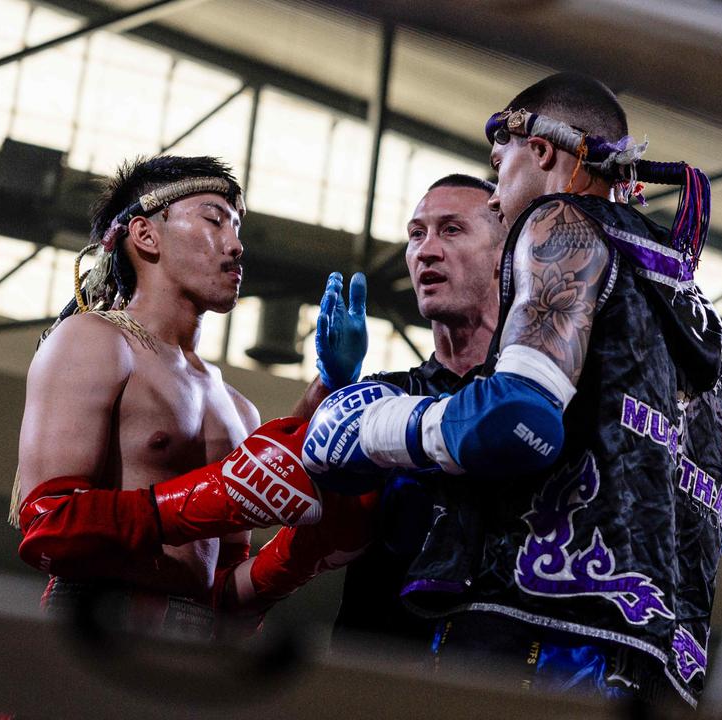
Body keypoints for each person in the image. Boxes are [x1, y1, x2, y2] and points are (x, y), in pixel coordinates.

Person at [304, 73, 722, 709]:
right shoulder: (692, 302)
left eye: (498, 165)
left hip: (538, 625)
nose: (500, 198)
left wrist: (370, 423)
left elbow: (514, 421)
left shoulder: (557, 222)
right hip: (661, 658)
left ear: (541, 151)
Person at [7, 155, 324, 640]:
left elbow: (220, 590)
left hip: (197, 653)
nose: (237, 246)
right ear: (146, 234)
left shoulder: (239, 408)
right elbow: (50, 523)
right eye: (214, 220)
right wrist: (203, 499)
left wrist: (304, 555)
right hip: (93, 636)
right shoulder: (94, 341)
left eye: (237, 228)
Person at [210, 175, 507, 649]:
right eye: (416, 234)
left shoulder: (549, 399)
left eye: (451, 230)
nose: (426, 250)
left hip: (505, 669)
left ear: (503, 256)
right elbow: (283, 482)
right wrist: (330, 384)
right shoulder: (380, 397)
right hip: (377, 665)